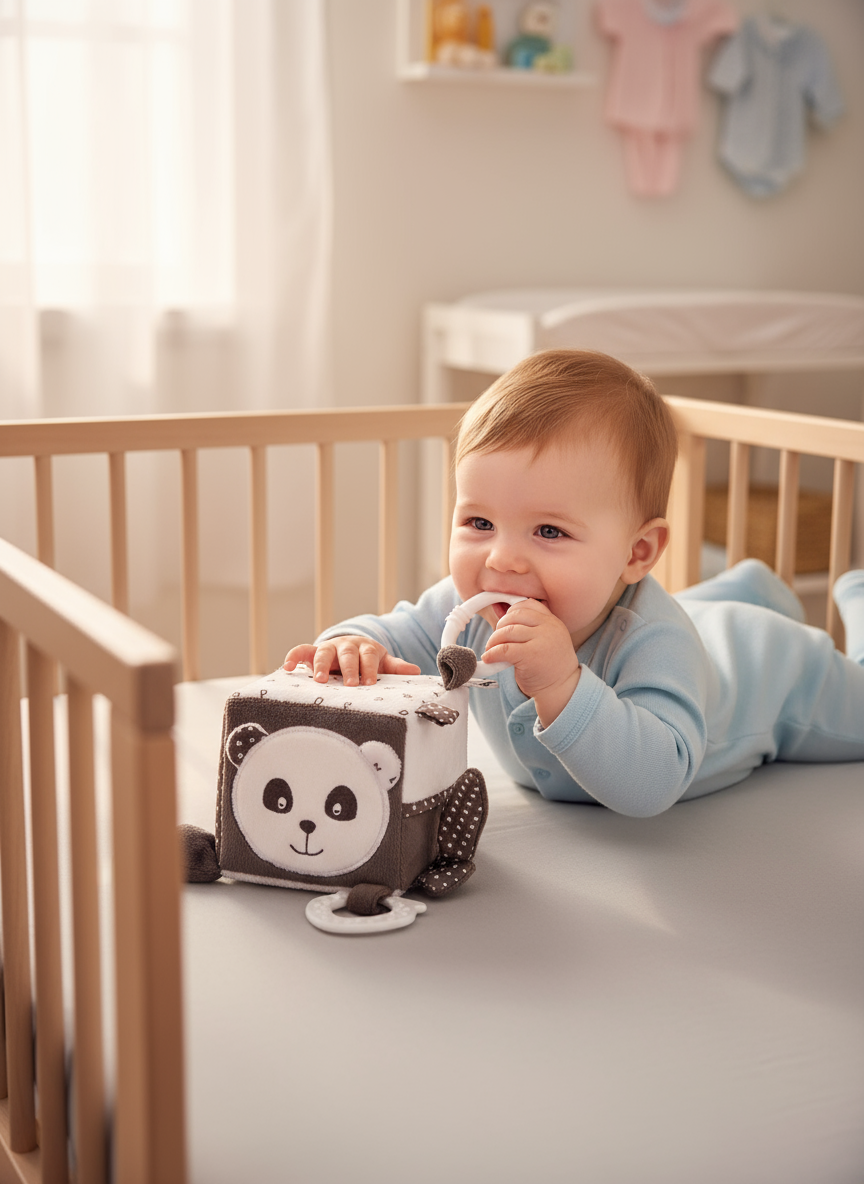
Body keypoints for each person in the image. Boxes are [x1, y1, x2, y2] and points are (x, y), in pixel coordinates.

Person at [284, 349, 864, 817]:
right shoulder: (469, 609)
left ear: (637, 552)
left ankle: (847, 598)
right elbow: (395, 631)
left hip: (765, 668)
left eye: (549, 531)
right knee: (700, 613)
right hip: (701, 626)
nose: (502, 559)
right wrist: (352, 643)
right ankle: (748, 585)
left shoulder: (657, 643)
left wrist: (562, 684)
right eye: (480, 523)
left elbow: (655, 780)